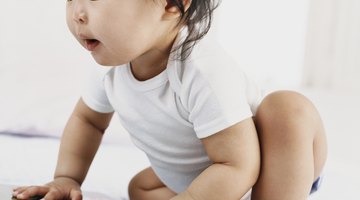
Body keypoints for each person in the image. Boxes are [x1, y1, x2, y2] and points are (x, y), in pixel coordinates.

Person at [12, 0, 327, 199]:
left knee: (287, 108)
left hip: (272, 166)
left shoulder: (201, 69)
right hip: (209, 178)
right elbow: (88, 121)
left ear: (171, 4)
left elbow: (237, 164)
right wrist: (66, 178)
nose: (77, 13)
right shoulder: (110, 66)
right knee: (140, 189)